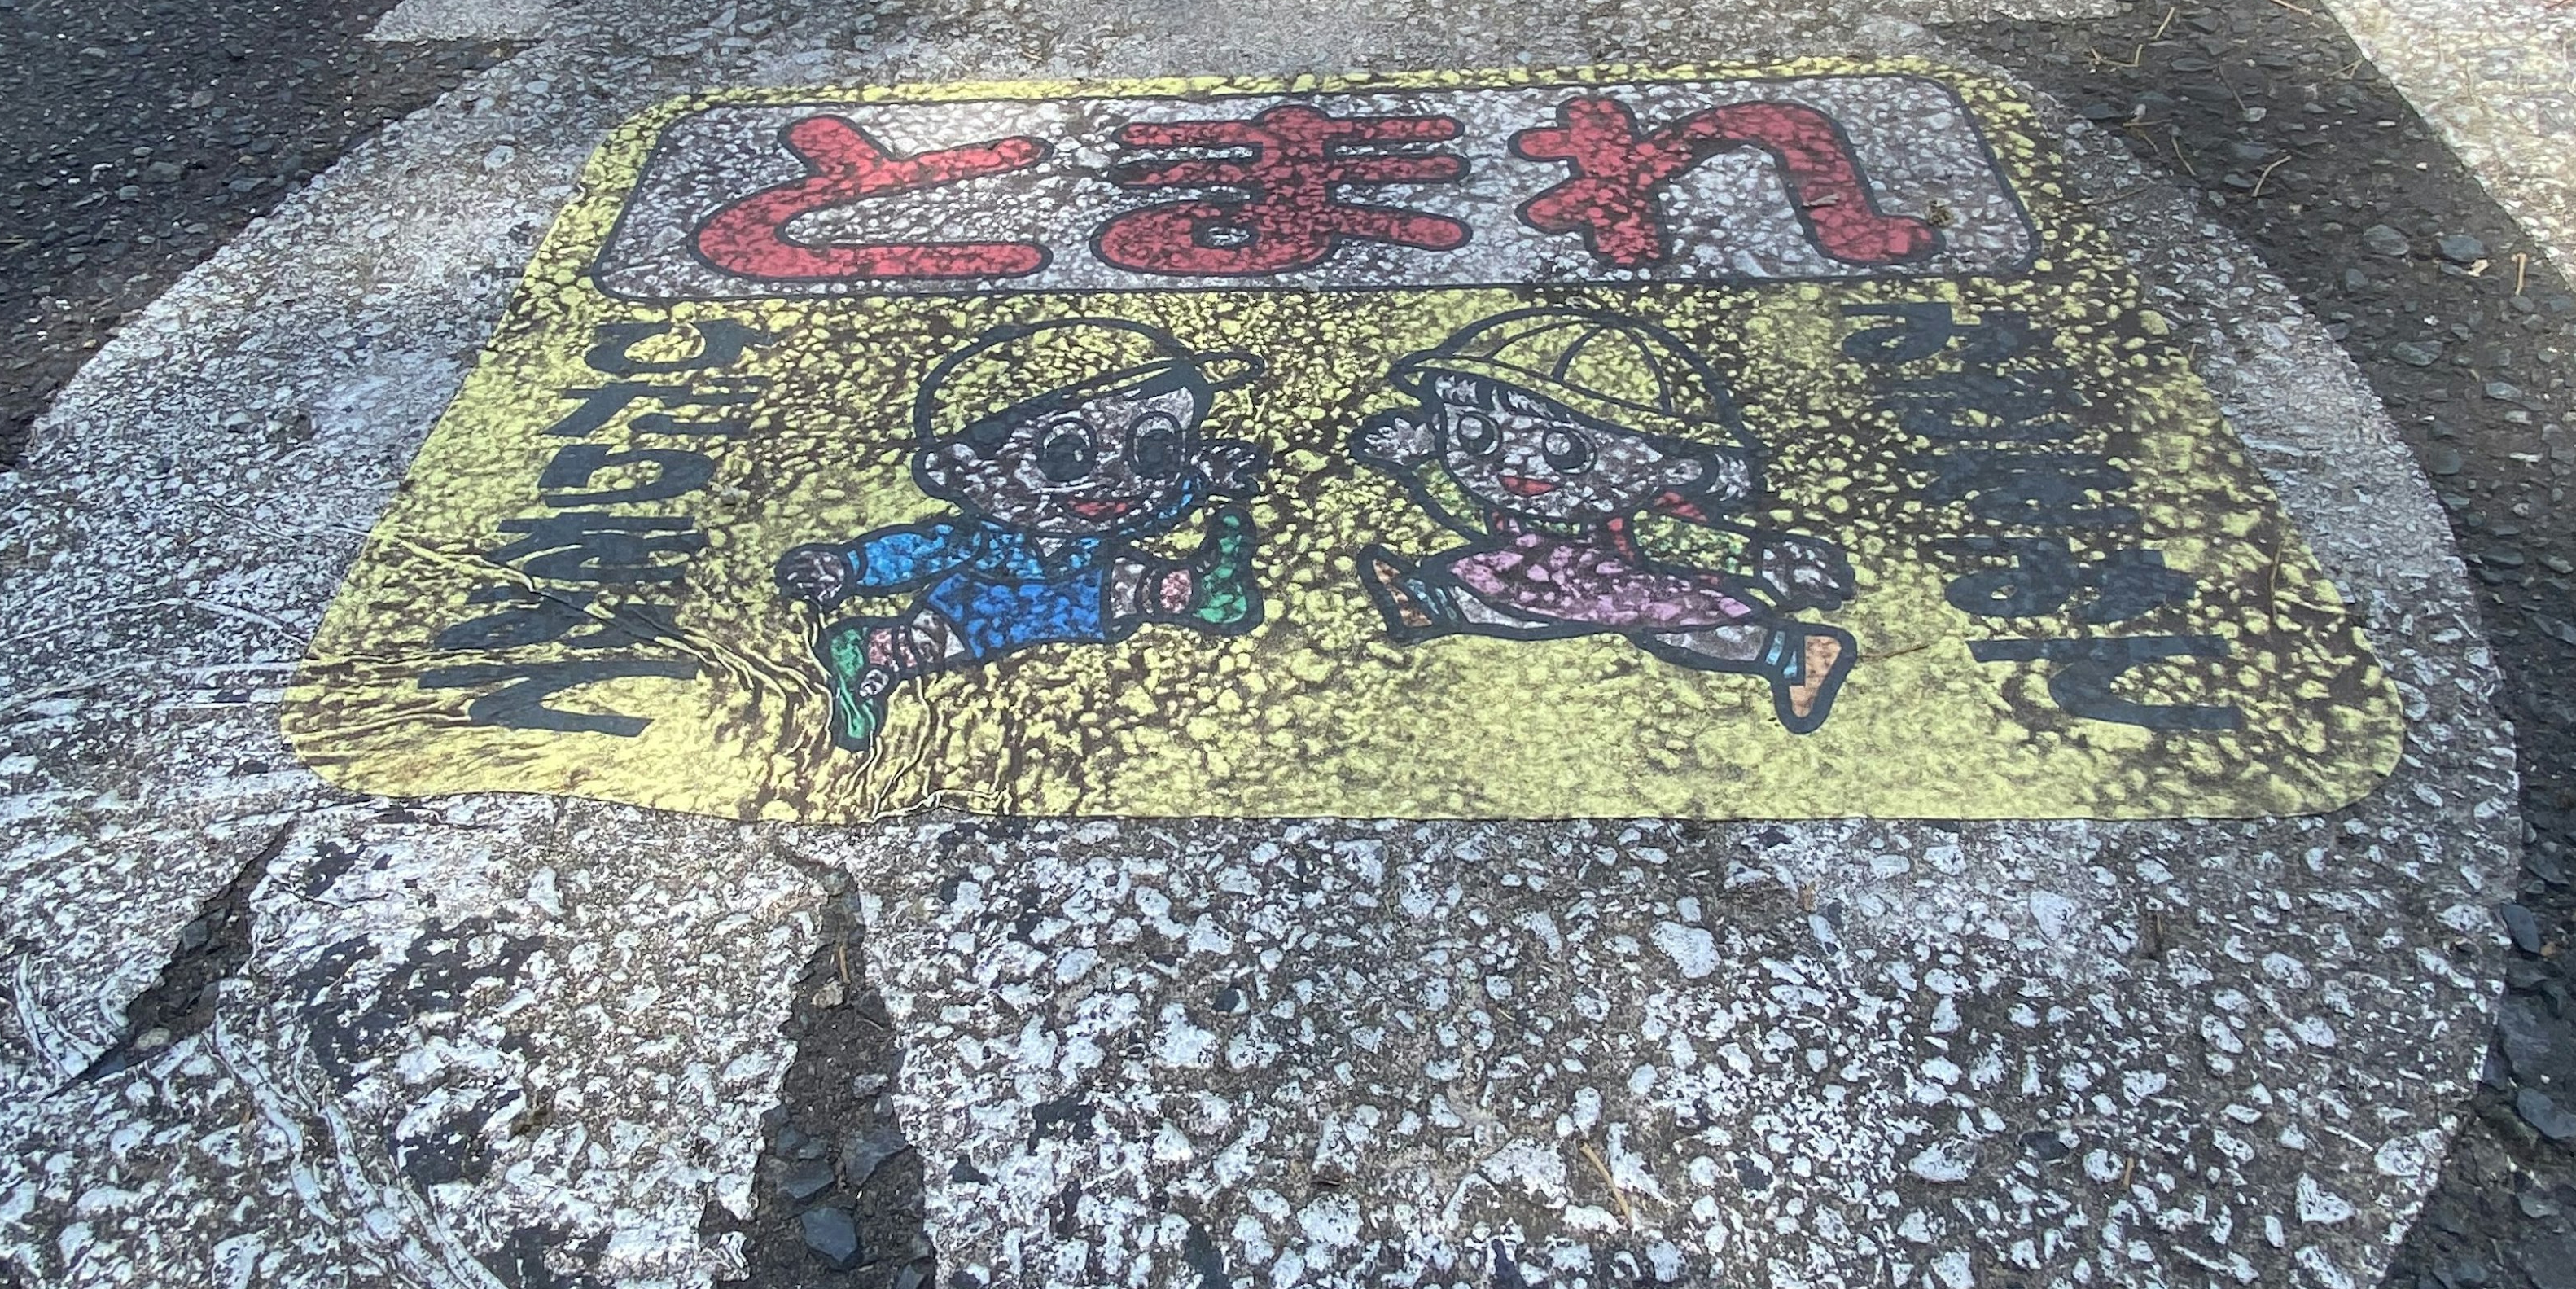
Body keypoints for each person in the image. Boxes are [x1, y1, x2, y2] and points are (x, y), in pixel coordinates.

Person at [1351, 308, 1855, 730]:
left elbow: (1692, 541)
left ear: (1668, 462)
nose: (1512, 468)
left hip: (1638, 591)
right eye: (1477, 434)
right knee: (1498, 586)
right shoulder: (1506, 507)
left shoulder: (1631, 519)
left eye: (1565, 450)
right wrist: (1419, 460)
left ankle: (1794, 652)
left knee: (1684, 630)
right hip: (1539, 579)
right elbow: (1462, 501)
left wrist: (1765, 558)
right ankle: (1433, 604)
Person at [776, 318, 1264, 752]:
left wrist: (1200, 477)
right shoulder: (981, 540)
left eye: (1155, 448)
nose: (1120, 479)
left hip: (1082, 588)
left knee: (1134, 583)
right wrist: (850, 566)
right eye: (1067, 455)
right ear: (958, 471)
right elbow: (918, 551)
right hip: (984, 603)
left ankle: (1207, 590)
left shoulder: (1105, 525)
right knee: (924, 644)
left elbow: (1150, 516)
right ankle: (866, 656)